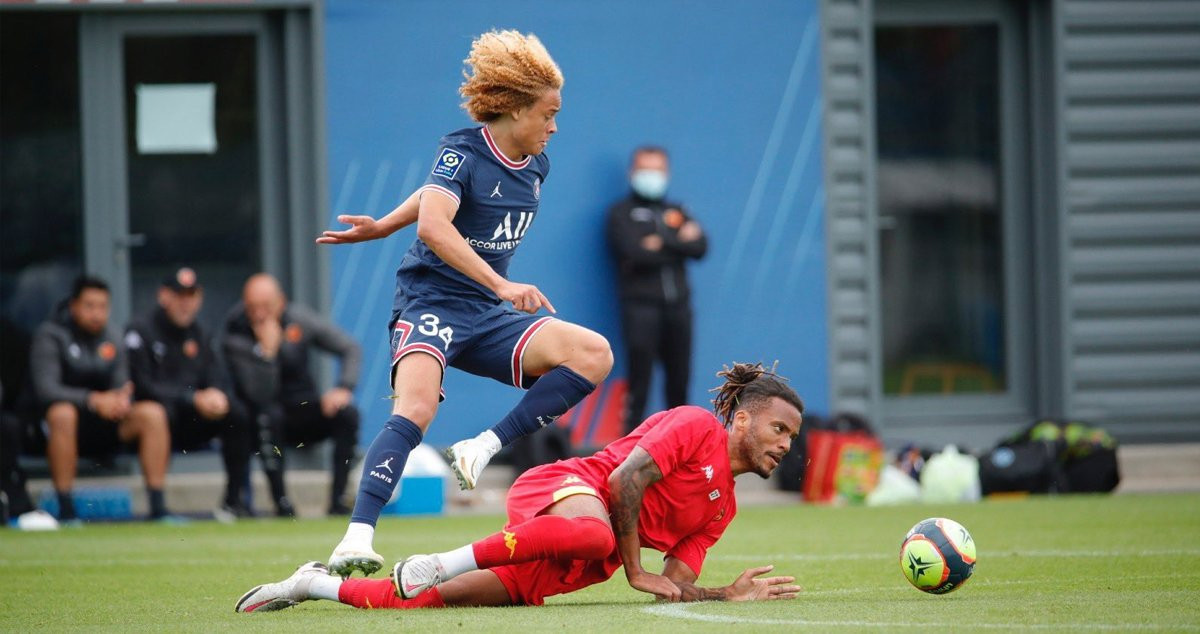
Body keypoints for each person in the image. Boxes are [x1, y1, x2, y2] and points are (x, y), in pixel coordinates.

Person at [316, 29, 612, 577]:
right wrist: (496, 282)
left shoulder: (538, 164)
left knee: (594, 353)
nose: (554, 126)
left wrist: (385, 226)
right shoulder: (463, 149)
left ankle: (482, 445)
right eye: (548, 113)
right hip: (431, 300)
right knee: (418, 407)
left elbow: (434, 199)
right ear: (517, 108)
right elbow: (435, 220)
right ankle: (355, 536)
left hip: (488, 316)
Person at [235, 362, 803, 613]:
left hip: (573, 561)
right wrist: (633, 567)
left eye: (792, 437)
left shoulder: (722, 510)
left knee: (411, 603)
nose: (785, 445)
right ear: (744, 420)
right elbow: (625, 480)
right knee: (594, 536)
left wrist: (721, 594)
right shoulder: (696, 425)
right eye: (779, 429)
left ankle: (311, 586)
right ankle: (440, 559)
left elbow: (671, 585)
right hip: (566, 489)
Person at [28, 276, 174, 522]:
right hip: (63, 429)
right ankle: (66, 509)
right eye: (89, 306)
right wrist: (93, 400)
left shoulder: (114, 336)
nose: (97, 314)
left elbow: (121, 384)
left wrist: (118, 400)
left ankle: (159, 507)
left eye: (102, 307)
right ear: (74, 306)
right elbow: (46, 389)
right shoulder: (50, 335)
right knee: (62, 413)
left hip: (107, 424)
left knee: (152, 414)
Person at [222, 273, 362, 517]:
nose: (259, 314)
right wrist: (268, 353)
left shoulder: (299, 319)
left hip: (302, 407)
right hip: (260, 415)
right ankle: (281, 504)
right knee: (267, 416)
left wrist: (343, 388)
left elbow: (350, 348)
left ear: (281, 302)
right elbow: (259, 392)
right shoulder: (235, 330)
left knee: (347, 414)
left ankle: (338, 500)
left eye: (266, 307)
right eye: (253, 307)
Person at [124, 267, 253, 518]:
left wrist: (216, 395)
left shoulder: (201, 333)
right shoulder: (140, 330)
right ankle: (157, 506)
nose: (185, 303)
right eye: (179, 295)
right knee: (156, 414)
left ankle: (234, 501)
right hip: (157, 418)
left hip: (192, 418)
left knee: (236, 413)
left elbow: (216, 375)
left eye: (191, 295)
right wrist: (192, 398)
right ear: (164, 296)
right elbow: (142, 385)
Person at [606, 146, 707, 433]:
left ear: (667, 173)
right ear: (632, 173)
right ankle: (628, 454)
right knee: (640, 382)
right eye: (645, 169)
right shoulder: (621, 213)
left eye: (657, 170)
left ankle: (680, 445)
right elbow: (635, 253)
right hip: (640, 308)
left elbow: (700, 247)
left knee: (680, 382)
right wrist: (677, 241)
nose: (652, 176)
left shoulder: (677, 210)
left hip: (679, 308)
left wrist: (661, 240)